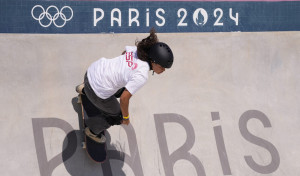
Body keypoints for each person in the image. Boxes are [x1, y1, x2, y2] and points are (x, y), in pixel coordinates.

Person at [76, 28, 174, 143]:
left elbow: (124, 53)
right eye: (162, 67)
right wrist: (126, 118)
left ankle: (83, 89)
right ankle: (92, 131)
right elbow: (124, 98)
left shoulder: (138, 51)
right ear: (154, 62)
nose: (163, 70)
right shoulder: (141, 75)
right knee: (118, 116)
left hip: (92, 71)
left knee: (121, 85)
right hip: (96, 91)